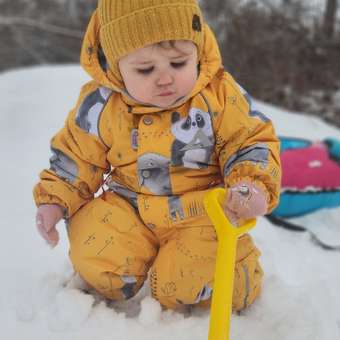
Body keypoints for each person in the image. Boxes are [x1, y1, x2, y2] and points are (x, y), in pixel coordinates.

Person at [34, 0, 281, 312]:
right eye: (145, 69)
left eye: (178, 63)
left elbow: (249, 140)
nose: (165, 79)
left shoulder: (219, 95)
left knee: (188, 282)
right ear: (115, 67)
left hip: (201, 211)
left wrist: (251, 183)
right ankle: (135, 261)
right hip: (131, 205)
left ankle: (232, 272)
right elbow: (76, 155)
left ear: (198, 48)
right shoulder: (101, 103)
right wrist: (54, 200)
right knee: (93, 248)